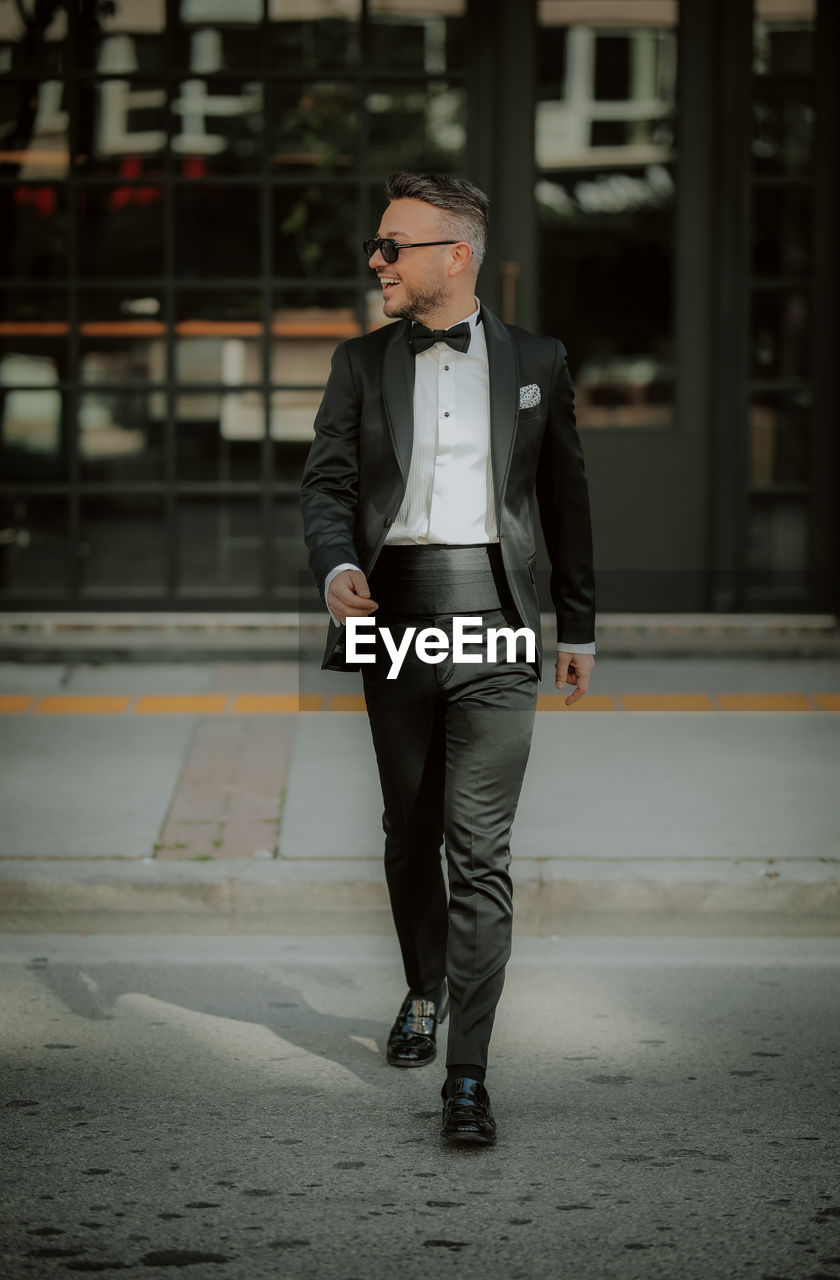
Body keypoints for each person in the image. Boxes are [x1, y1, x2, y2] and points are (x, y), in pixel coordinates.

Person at [301, 171, 595, 1146]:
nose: (375, 259)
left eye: (393, 244)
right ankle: (423, 986)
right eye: (377, 245)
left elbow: (565, 498)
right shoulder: (359, 361)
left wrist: (578, 626)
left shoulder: (536, 360)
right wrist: (338, 565)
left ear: (453, 255)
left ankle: (465, 1071)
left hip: (499, 617)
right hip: (397, 610)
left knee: (480, 852)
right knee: (408, 831)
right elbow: (327, 484)